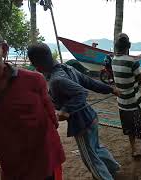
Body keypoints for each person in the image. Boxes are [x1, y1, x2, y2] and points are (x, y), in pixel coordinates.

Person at [28, 43, 120, 180]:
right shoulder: (68, 67)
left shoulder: (56, 80)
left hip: (82, 124)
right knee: (96, 148)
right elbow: (89, 82)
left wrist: (66, 110)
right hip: (91, 117)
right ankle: (113, 169)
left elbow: (81, 92)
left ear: (38, 65)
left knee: (90, 159)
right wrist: (111, 89)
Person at [0, 34, 65, 179]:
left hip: (44, 164)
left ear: (4, 49)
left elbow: (53, 119)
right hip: (12, 169)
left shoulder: (34, 80)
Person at [112, 33, 141, 157]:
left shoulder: (113, 60)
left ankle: (134, 150)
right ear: (128, 46)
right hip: (134, 101)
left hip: (121, 102)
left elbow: (126, 77)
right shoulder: (132, 61)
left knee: (128, 127)